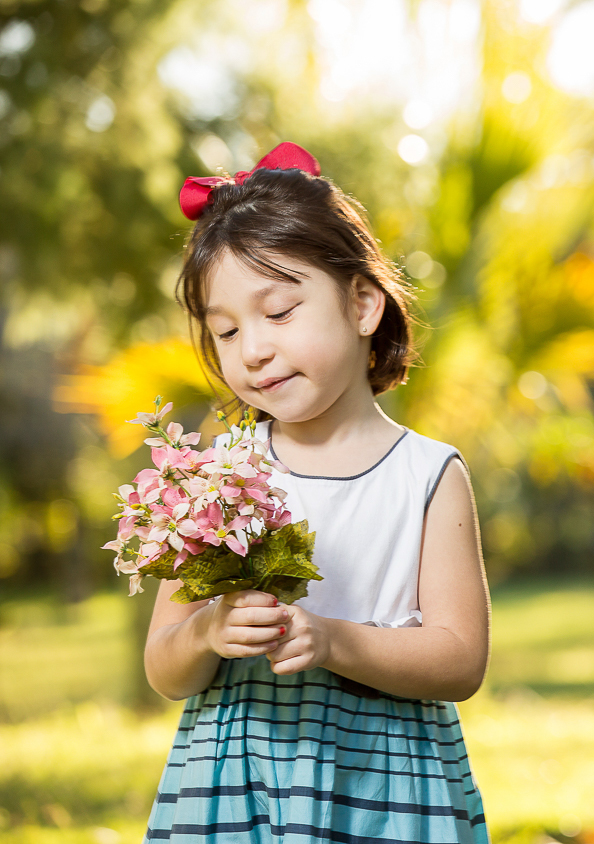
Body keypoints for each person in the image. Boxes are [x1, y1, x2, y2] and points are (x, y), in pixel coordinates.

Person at [141, 142, 491, 843]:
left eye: (279, 312)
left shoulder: (426, 476)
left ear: (363, 304)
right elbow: (164, 665)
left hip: (384, 788)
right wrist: (209, 630)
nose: (253, 350)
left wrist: (332, 642)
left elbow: (460, 659)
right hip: (237, 782)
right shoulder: (220, 474)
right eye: (227, 330)